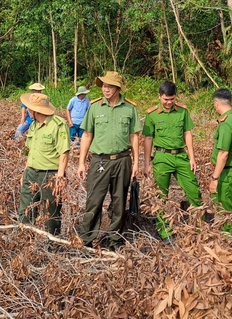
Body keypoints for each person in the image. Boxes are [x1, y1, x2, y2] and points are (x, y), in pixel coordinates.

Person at [78, 71, 140, 250]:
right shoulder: (95, 107)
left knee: (119, 202)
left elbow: (134, 137)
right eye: (104, 86)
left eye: (110, 86)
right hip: (100, 161)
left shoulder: (130, 109)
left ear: (118, 88)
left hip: (122, 161)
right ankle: (87, 241)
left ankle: (115, 240)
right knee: (94, 201)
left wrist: (136, 163)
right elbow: (87, 135)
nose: (105, 89)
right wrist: (82, 162)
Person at [143, 80, 202, 244]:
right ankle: (165, 231)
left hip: (181, 157)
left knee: (194, 191)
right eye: (165, 99)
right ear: (159, 96)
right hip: (161, 158)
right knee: (161, 196)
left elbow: (187, 133)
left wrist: (192, 157)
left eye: (172, 99)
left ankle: (198, 228)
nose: (168, 103)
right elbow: (148, 138)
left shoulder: (182, 112)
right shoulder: (152, 114)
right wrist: (146, 163)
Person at [18, 92, 70, 236]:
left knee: (51, 214)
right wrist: (25, 172)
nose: (27, 110)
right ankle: (25, 240)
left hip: (50, 175)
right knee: (26, 211)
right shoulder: (33, 125)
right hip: (31, 173)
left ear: (36, 110)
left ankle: (52, 245)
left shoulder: (58, 125)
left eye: (29, 108)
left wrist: (59, 178)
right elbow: (31, 151)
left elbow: (64, 153)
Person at [209, 89, 232, 226]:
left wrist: (214, 178)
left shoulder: (227, 123)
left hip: (227, 173)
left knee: (226, 210)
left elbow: (223, 154)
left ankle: (228, 240)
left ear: (216, 104)